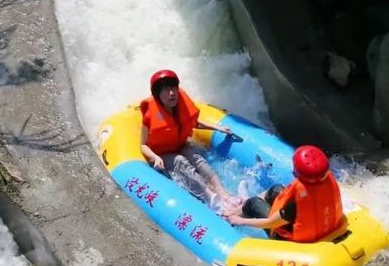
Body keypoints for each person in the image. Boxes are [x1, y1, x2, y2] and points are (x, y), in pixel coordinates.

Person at [140, 69, 237, 209]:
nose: (172, 93)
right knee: (181, 161)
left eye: (173, 88)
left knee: (196, 157)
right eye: (166, 90)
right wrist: (155, 157)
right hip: (162, 154)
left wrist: (217, 128)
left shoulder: (180, 107)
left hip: (179, 145)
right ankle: (210, 198)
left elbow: (193, 123)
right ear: (157, 95)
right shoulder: (150, 116)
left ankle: (223, 193)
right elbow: (142, 144)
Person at [224, 145, 346, 242]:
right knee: (276, 189)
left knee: (253, 203)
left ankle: (228, 216)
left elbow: (270, 223)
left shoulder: (295, 204)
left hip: (291, 238)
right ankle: (240, 206)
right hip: (321, 226)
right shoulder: (327, 178)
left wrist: (240, 221)